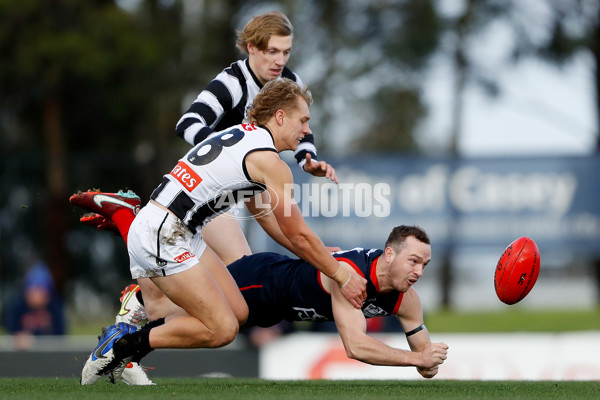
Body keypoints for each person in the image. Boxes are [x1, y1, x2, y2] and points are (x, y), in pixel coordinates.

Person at [78, 78, 367, 385]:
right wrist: (341, 274)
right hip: (165, 234)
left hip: (173, 229)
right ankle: (123, 347)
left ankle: (133, 308)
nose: (308, 130)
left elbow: (274, 223)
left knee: (239, 311)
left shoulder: (242, 135)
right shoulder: (271, 163)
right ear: (280, 117)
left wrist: (320, 257)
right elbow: (296, 234)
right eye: (304, 120)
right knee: (222, 329)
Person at [102, 225, 449, 383]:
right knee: (169, 313)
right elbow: (356, 346)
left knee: (222, 256)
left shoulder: (408, 300)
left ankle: (169, 227)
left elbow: (425, 366)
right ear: (389, 254)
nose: (419, 271)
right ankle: (131, 224)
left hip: (271, 306)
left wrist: (427, 359)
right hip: (262, 284)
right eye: (414, 261)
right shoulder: (352, 276)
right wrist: (416, 357)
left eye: (425, 265)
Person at [2, 261, 66, 350]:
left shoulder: (55, 308)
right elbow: (11, 330)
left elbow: (61, 336)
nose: (36, 296)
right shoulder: (17, 307)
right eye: (32, 291)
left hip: (49, 354)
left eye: (40, 291)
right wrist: (19, 338)